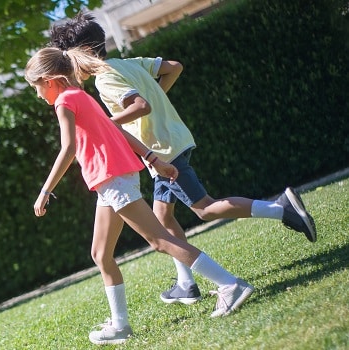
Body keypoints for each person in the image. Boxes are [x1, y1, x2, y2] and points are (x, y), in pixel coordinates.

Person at [48, 10, 316, 305]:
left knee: (206, 208)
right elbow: (174, 67)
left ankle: (281, 208)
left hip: (163, 149)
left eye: (68, 59)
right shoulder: (128, 64)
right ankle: (186, 284)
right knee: (163, 217)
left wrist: (109, 125)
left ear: (84, 52)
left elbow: (140, 105)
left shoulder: (105, 80)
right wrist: (157, 97)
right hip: (173, 138)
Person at [25, 46, 253, 345]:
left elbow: (68, 148)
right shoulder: (82, 97)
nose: (38, 94)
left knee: (160, 240)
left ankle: (229, 284)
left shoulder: (65, 101)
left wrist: (45, 191)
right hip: (111, 179)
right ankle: (120, 325)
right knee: (101, 254)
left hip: (113, 178)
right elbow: (117, 132)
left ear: (49, 80)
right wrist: (155, 159)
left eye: (36, 87)